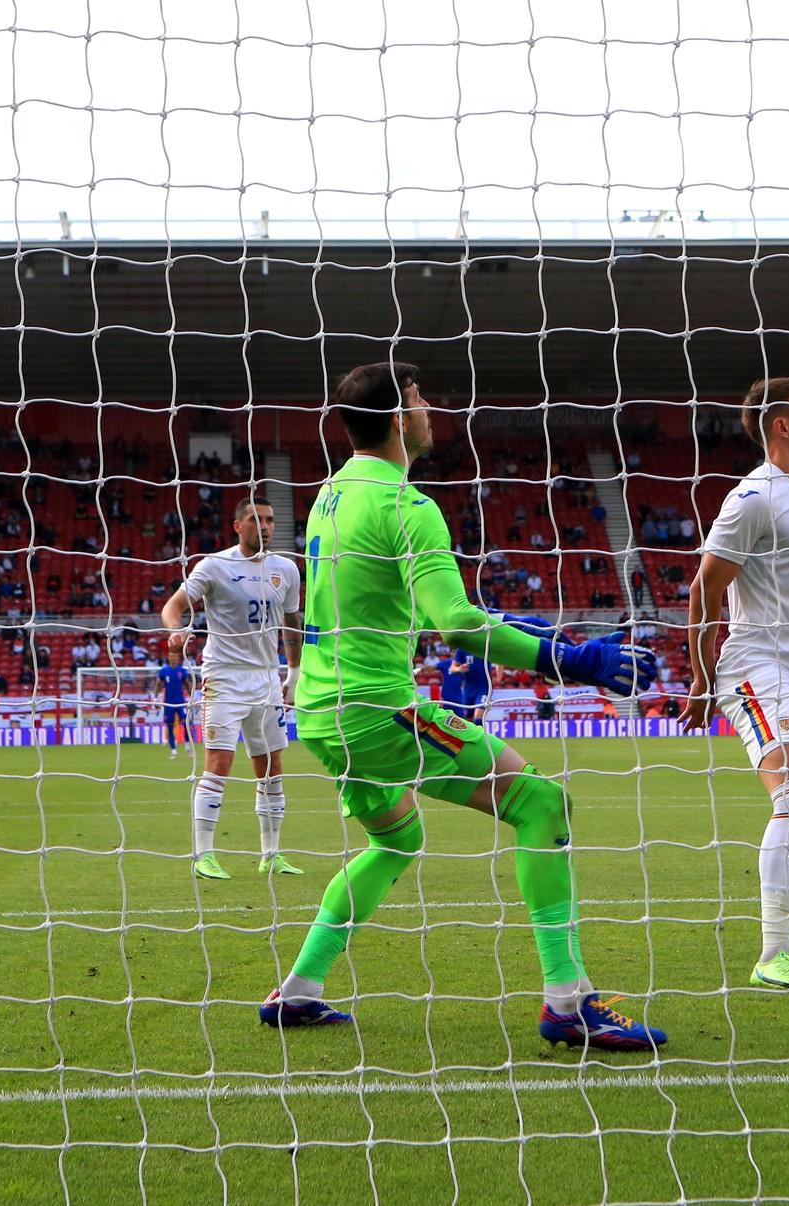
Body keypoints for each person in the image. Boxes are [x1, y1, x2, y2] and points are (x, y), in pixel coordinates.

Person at [262, 361, 666, 1051]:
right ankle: (567, 1003)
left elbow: (387, 597)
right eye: (420, 399)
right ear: (398, 419)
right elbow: (452, 621)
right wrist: (572, 660)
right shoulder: (406, 505)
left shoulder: (331, 493)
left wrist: (523, 628)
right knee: (540, 803)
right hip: (376, 708)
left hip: (321, 711)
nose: (430, 409)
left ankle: (299, 989)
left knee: (396, 840)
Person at [682, 376, 789, 993]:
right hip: (756, 662)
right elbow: (704, 586)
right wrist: (703, 677)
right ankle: (771, 951)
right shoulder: (753, 497)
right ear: (782, 426)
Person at [161, 495, 304, 879]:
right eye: (256, 520)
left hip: (266, 679)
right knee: (219, 764)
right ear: (237, 526)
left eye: (271, 519)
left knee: (272, 767)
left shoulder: (286, 569)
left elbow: (291, 621)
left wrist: (294, 669)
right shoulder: (215, 566)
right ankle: (204, 855)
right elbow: (172, 607)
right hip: (224, 677)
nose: (266, 526)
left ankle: (271, 854)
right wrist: (177, 631)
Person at [437, 646, 491, 722]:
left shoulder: (485, 647)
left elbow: (500, 660)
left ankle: (481, 733)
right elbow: (453, 668)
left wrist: (499, 676)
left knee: (478, 720)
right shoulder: (462, 649)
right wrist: (459, 669)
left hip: (484, 688)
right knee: (469, 720)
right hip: (468, 689)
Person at [156, 648, 193, 760]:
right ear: (168, 657)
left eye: (176, 656)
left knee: (186, 724)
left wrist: (192, 698)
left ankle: (187, 748)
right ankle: (174, 752)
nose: (174, 658)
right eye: (172, 656)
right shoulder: (164, 671)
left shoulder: (182, 670)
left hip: (180, 703)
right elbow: (158, 685)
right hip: (168, 704)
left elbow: (187, 684)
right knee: (170, 727)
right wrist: (155, 697)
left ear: (178, 658)